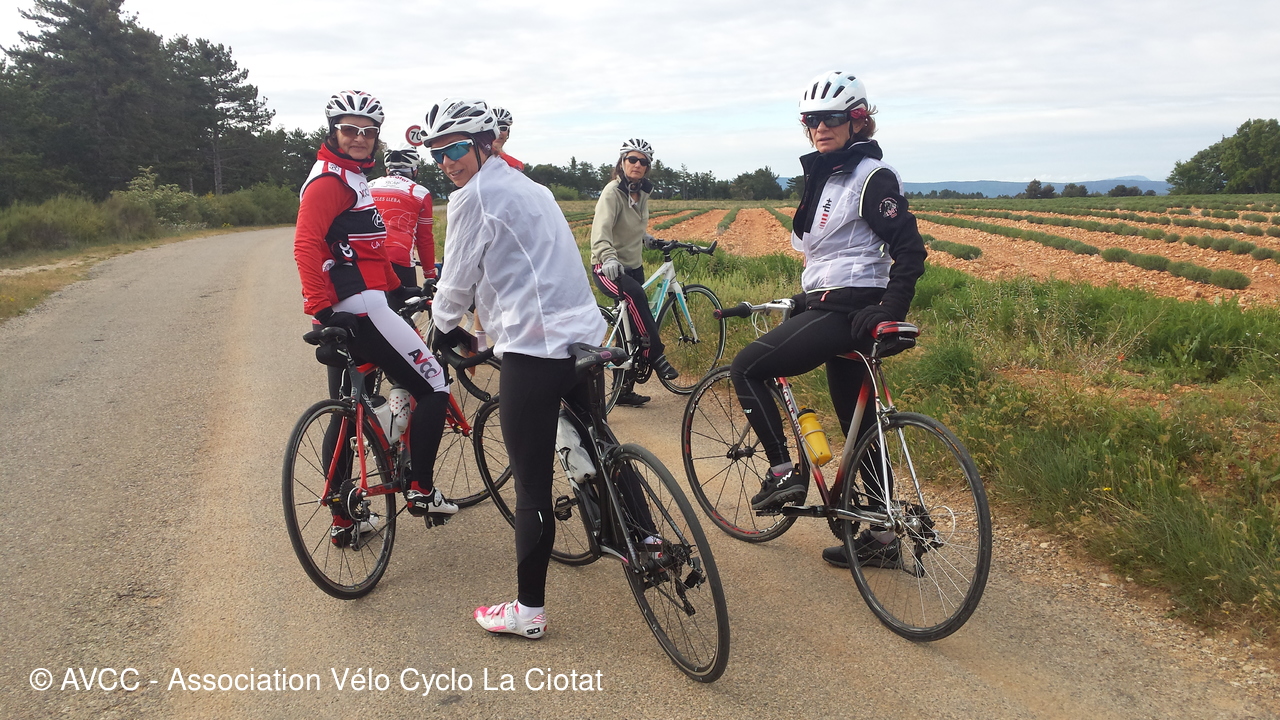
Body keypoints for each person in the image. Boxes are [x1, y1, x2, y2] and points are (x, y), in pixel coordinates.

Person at [424, 98, 606, 639]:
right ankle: (643, 538)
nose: (447, 162)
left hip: (535, 348)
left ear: (484, 144)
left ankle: (528, 612)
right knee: (598, 445)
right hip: (583, 335)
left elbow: (456, 279)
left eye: (456, 147)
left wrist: (441, 327)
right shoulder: (532, 187)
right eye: (437, 153)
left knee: (531, 484)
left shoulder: (473, 197)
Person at [728, 71, 927, 568]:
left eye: (832, 119)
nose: (820, 128)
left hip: (852, 309)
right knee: (856, 427)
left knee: (747, 366)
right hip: (834, 304)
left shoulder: (870, 176)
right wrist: (806, 300)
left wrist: (890, 310)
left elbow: (909, 249)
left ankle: (781, 471)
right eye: (812, 120)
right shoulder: (829, 175)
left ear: (857, 120)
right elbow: (835, 255)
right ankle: (882, 537)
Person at [293, 90, 458, 546]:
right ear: (333, 132)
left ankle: (344, 521)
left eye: (368, 131)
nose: (360, 137)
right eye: (350, 129)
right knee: (434, 384)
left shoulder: (352, 176)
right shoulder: (330, 182)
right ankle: (421, 488)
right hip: (358, 309)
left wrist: (398, 287)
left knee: (347, 411)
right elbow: (305, 245)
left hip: (354, 307)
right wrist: (320, 309)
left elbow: (371, 248)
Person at [588, 138, 678, 407]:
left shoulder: (642, 193)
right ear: (622, 162)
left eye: (643, 161)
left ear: (648, 167)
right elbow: (601, 232)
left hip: (633, 265)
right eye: (632, 159)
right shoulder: (612, 192)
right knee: (637, 296)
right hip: (606, 267)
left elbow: (630, 225)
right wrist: (607, 257)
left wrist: (645, 237)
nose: (637, 164)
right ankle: (656, 354)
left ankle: (624, 390)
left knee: (633, 329)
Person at [369, 144, 436, 288]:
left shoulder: (369, 186)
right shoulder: (420, 192)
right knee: (406, 301)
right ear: (415, 171)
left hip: (365, 255)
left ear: (387, 170)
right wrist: (430, 274)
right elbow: (424, 239)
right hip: (398, 257)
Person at [489, 106, 524, 171]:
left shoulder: (514, 165)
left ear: (508, 133)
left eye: (503, 128)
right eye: (494, 127)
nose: (498, 132)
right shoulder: (474, 159)